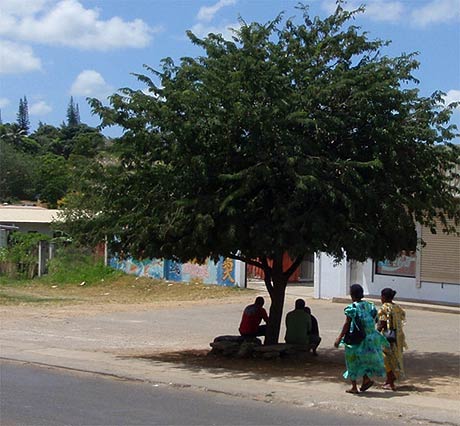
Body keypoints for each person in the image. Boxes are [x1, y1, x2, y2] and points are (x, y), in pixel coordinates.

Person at [334, 284, 388, 394]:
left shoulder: (352, 308)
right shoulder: (370, 306)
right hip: (369, 338)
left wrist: (339, 338)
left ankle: (354, 386)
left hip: (355, 338)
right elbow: (376, 319)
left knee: (352, 360)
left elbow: (347, 324)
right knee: (363, 360)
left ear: (352, 295)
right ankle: (366, 379)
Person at [377, 288, 407, 391]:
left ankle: (390, 381)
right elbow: (403, 316)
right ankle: (390, 380)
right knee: (394, 358)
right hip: (397, 337)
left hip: (386, 337)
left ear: (384, 297)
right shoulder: (397, 307)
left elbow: (383, 322)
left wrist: (376, 332)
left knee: (384, 358)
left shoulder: (385, 308)